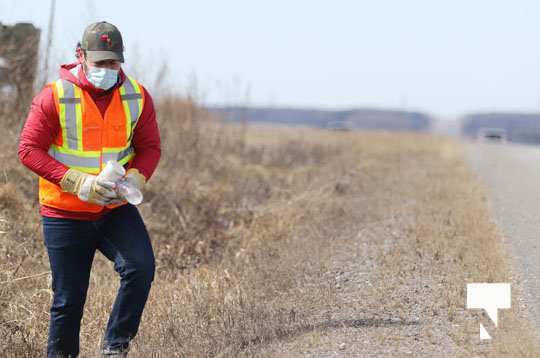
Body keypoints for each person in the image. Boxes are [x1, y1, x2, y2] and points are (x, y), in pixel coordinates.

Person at [18, 21, 161, 358]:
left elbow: (150, 147)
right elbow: (28, 150)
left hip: (114, 209)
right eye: (100, 63)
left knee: (141, 268)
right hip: (64, 213)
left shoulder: (137, 96)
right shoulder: (53, 96)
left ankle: (115, 348)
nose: (107, 70)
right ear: (80, 56)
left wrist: (139, 177)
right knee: (69, 301)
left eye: (113, 62)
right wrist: (77, 182)